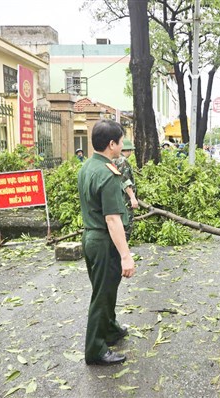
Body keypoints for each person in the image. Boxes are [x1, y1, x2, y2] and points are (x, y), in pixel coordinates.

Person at [77, 120, 136, 366]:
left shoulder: (88, 166)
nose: (123, 146)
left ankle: (110, 329)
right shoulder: (109, 173)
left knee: (106, 290)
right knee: (102, 295)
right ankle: (95, 349)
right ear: (111, 144)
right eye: (121, 142)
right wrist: (126, 255)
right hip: (103, 240)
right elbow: (113, 219)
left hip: (91, 237)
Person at [113, 138, 139, 241]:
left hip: (116, 197)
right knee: (127, 224)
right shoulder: (123, 161)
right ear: (127, 151)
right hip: (125, 199)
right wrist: (133, 198)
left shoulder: (113, 160)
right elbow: (125, 181)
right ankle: (123, 251)